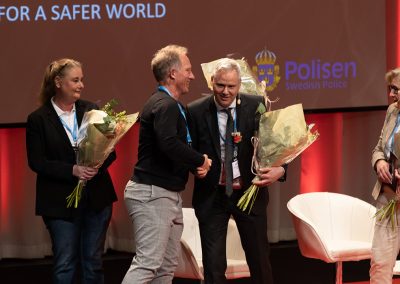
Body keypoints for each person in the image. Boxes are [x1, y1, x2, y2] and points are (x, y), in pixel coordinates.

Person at [187, 58, 286, 284]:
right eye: (220, 85)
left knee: (259, 262)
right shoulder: (195, 110)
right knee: (213, 267)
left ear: (240, 85)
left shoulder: (256, 104)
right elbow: (188, 151)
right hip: (212, 197)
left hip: (249, 195)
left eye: (231, 86)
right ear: (212, 82)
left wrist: (281, 169)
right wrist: (194, 166)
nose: (225, 92)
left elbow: (276, 143)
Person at [122, 44, 212, 284]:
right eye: (188, 70)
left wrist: (193, 166)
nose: (192, 76)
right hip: (153, 194)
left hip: (166, 194)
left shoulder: (172, 105)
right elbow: (168, 143)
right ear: (173, 73)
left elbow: (172, 148)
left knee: (165, 267)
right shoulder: (165, 105)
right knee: (148, 264)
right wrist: (200, 160)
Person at [26, 58, 117, 283]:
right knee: (65, 263)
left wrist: (96, 164)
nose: (81, 85)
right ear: (58, 82)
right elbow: (37, 162)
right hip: (59, 203)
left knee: (93, 262)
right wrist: (73, 170)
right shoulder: (38, 119)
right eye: (75, 80)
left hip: (97, 198)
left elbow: (110, 151)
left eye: (82, 80)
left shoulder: (92, 110)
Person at [370, 67, 400, 283]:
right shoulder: (392, 111)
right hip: (388, 195)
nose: (391, 94)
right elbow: (379, 147)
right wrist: (379, 161)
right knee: (380, 262)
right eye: (391, 88)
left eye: (396, 89)